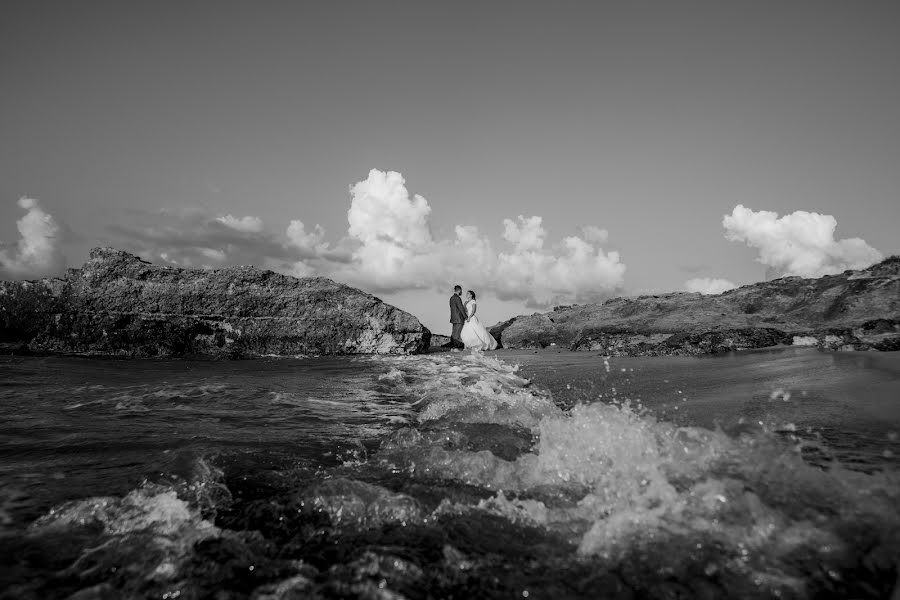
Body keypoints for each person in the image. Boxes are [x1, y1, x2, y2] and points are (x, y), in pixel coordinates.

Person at [444, 284, 467, 349]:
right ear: (459, 290)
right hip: (459, 318)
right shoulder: (457, 298)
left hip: (453, 318)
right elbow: (461, 308)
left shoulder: (451, 298)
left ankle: (453, 345)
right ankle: (456, 347)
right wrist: (465, 316)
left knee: (454, 333)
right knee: (457, 335)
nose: (461, 292)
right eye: (461, 291)